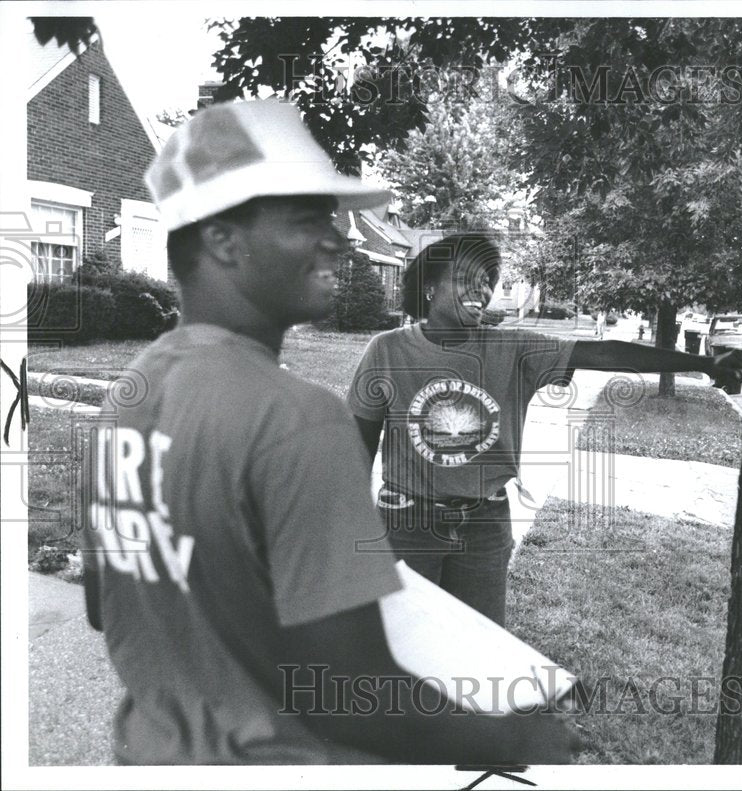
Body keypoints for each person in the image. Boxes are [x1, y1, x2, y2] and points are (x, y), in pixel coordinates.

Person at [81, 100, 575, 765]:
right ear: (224, 238)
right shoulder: (297, 420)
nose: (338, 240)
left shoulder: (128, 395)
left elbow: (103, 603)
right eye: (306, 219)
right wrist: (511, 736)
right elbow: (354, 695)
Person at [348, 233, 742, 626]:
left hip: (484, 527)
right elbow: (357, 450)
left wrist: (705, 364)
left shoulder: (512, 349)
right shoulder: (387, 351)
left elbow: (606, 353)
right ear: (430, 287)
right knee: (404, 644)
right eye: (466, 277)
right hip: (406, 526)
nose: (482, 289)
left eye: (488, 280)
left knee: (478, 643)